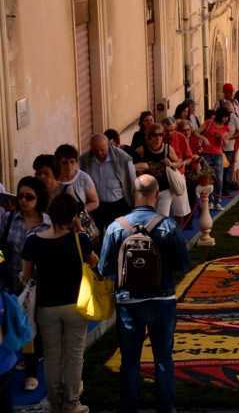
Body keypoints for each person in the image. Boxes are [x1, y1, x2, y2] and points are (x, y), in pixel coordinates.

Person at [98, 175, 189, 413]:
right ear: (156, 195)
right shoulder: (168, 226)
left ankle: (130, 407)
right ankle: (166, 407)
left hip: (129, 301)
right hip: (162, 300)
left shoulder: (116, 227)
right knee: (163, 358)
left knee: (129, 361)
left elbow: (104, 268)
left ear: (133, 193)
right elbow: (183, 264)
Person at [21, 194, 97, 413]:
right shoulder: (79, 239)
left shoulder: (33, 241)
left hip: (46, 307)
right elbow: (95, 263)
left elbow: (25, 276)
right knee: (74, 355)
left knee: (52, 356)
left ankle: (55, 402)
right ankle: (72, 402)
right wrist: (79, 230)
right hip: (75, 304)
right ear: (73, 216)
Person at [0, 177, 50, 391]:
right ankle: (11, 364)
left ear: (39, 199)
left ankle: (31, 371)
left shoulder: (48, 222)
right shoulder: (10, 219)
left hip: (37, 285)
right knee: (10, 325)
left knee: (30, 328)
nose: (23, 200)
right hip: (10, 282)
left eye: (29, 197)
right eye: (20, 196)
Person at [79, 134, 136, 235]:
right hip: (97, 205)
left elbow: (132, 183)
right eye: (95, 150)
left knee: (120, 233)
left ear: (108, 146)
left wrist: (133, 203)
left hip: (118, 204)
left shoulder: (123, 158)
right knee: (97, 234)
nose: (99, 153)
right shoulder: (84, 160)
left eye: (102, 149)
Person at [133, 124, 181, 217]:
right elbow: (133, 166)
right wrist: (143, 167)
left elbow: (179, 162)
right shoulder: (141, 150)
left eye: (161, 135)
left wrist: (171, 164)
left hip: (165, 189)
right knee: (148, 217)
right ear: (149, 137)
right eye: (155, 135)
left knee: (162, 217)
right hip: (148, 190)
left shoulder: (167, 149)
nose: (158, 138)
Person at [163, 118, 196, 226]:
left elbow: (189, 158)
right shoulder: (157, 137)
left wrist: (179, 164)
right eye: (167, 131)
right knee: (163, 213)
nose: (169, 133)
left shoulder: (180, 137)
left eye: (172, 130)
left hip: (178, 175)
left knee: (181, 209)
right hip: (162, 180)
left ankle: (178, 234)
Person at [55, 144, 100, 218]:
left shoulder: (83, 178)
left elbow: (95, 202)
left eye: (72, 162)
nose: (69, 166)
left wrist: (79, 212)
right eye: (64, 162)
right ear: (58, 163)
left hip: (79, 222)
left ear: (76, 162)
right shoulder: (53, 179)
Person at [199, 107, 230, 210]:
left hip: (218, 154)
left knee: (219, 179)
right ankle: (210, 200)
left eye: (227, 117)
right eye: (225, 117)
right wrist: (203, 138)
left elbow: (225, 143)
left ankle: (217, 201)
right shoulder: (209, 123)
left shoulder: (226, 128)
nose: (226, 119)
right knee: (208, 178)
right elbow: (196, 132)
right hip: (206, 153)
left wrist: (221, 138)